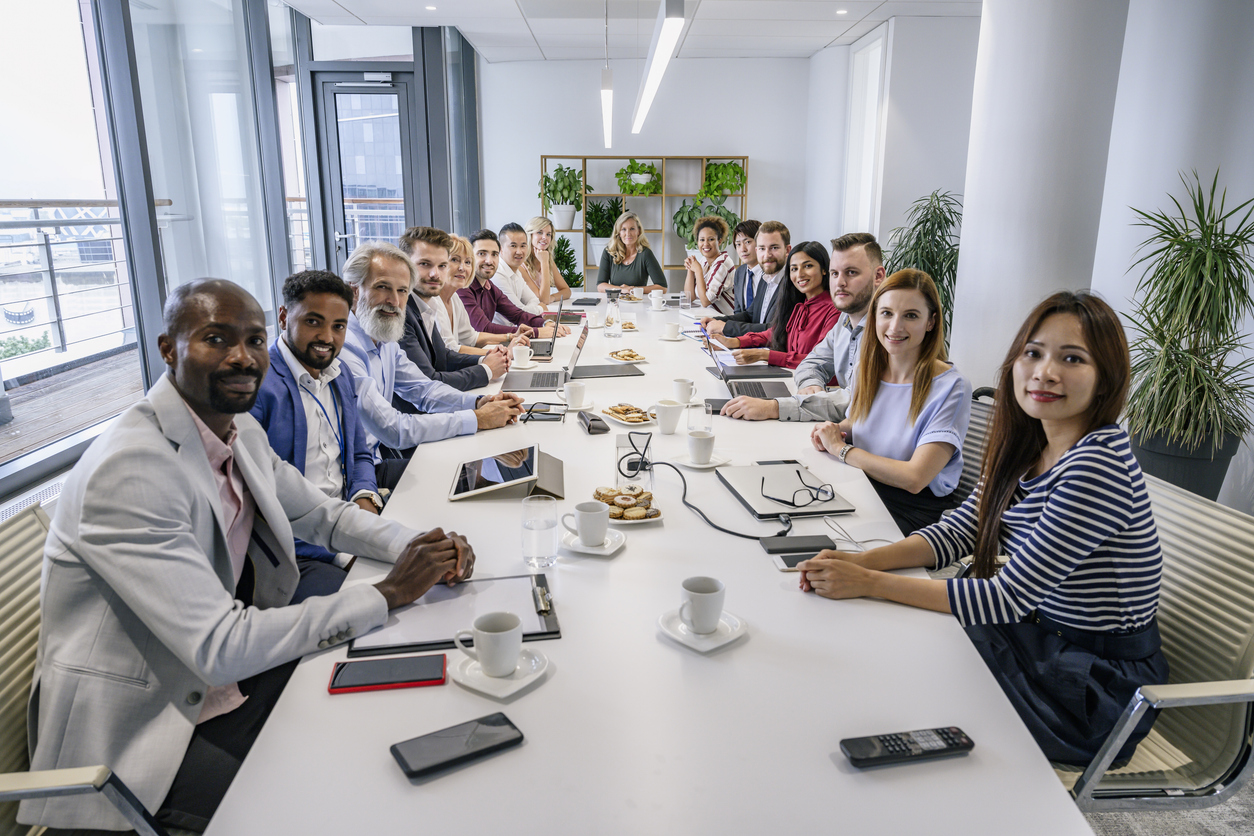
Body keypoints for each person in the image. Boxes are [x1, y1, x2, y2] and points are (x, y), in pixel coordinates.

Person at [22, 279, 477, 834]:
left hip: (227, 688)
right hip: (149, 741)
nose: (243, 357)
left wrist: (421, 546)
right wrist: (387, 591)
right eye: (216, 339)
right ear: (169, 349)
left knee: (383, 718)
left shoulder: (237, 432)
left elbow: (323, 517)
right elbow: (220, 646)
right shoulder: (130, 470)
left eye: (255, 340)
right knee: (340, 801)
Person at [797, 290, 1169, 767]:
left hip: (1091, 688)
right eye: (1032, 353)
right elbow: (959, 531)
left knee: (908, 662)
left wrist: (868, 582)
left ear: (1106, 378)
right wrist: (861, 561)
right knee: (902, 648)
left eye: (1072, 358)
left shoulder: (1097, 465)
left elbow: (1005, 597)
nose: (1044, 371)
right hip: (1039, 637)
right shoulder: (1031, 443)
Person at [339, 241, 523, 490]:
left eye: (403, 291)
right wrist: (477, 419)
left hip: (381, 457)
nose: (394, 300)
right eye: (383, 287)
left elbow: (424, 389)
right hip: (358, 475)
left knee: (474, 467)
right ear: (354, 291)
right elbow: (393, 429)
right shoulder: (345, 348)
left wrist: (478, 403)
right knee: (462, 474)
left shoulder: (384, 337)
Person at [250, 270, 382, 602]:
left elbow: (360, 455)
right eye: (313, 322)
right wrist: (343, 550)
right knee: (368, 607)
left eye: (338, 326)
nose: (327, 336)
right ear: (283, 317)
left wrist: (365, 500)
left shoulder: (340, 375)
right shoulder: (257, 389)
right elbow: (261, 510)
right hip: (297, 552)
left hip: (348, 520)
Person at [809, 269, 971, 535]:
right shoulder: (867, 367)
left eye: (910, 315)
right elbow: (862, 421)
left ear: (930, 322)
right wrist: (836, 429)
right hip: (860, 484)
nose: (895, 327)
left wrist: (841, 449)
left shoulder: (952, 386)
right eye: (886, 313)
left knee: (822, 540)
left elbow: (915, 478)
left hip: (911, 509)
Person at [721, 232, 885, 422]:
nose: (839, 282)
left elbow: (858, 401)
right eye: (835, 273)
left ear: (878, 276)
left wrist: (775, 407)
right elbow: (811, 363)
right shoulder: (844, 321)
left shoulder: (889, 332)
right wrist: (810, 386)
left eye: (851, 273)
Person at [396, 225, 508, 391]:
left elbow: (444, 356)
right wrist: (486, 370)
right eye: (425, 264)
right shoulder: (401, 314)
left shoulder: (427, 304)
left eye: (442, 265)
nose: (435, 274)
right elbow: (429, 382)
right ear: (404, 266)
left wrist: (487, 358)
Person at [713, 241, 839, 369]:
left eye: (808, 266)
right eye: (794, 269)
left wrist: (764, 355)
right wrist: (734, 341)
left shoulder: (834, 311)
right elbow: (774, 333)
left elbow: (821, 361)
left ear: (824, 269)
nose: (799, 274)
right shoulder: (799, 305)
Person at [460, 229, 566, 338]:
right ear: (470, 257)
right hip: (470, 352)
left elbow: (517, 315)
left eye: (494, 254)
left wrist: (545, 323)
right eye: (482, 254)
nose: (489, 261)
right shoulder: (463, 288)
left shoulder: (489, 287)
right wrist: (535, 332)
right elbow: (483, 328)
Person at [434, 234, 527, 356]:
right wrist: (501, 353)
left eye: (467, 262)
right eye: (455, 260)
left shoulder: (454, 298)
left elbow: (472, 337)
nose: (462, 268)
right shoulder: (434, 301)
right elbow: (451, 349)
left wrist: (511, 336)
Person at [700, 219, 790, 336]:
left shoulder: (791, 283)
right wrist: (718, 320)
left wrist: (727, 327)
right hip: (754, 342)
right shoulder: (767, 278)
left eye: (774, 248)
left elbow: (774, 330)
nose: (767, 255)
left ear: (787, 250)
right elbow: (750, 314)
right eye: (762, 248)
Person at [597, 210, 667, 293]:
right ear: (618, 233)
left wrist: (633, 290)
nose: (628, 233)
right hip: (615, 303)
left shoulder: (645, 254)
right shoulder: (609, 252)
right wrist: (621, 289)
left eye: (632, 229)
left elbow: (662, 287)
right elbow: (600, 286)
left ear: (639, 231)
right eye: (623, 229)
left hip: (638, 303)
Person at [492, 221, 546, 318]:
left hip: (516, 329)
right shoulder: (497, 273)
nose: (519, 251)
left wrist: (532, 307)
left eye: (523, 246)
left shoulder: (516, 271)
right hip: (501, 331)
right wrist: (540, 308)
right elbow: (519, 312)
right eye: (513, 246)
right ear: (501, 249)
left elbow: (534, 300)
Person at [683, 215, 735, 313]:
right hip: (709, 317)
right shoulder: (704, 261)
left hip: (725, 321)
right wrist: (690, 268)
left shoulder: (722, 264)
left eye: (711, 239)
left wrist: (698, 270)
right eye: (702, 240)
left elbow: (705, 301)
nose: (705, 244)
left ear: (719, 241)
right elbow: (690, 297)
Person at [519, 216, 572, 305]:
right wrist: (544, 263)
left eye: (548, 234)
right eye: (540, 232)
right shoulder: (520, 264)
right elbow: (543, 300)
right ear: (530, 235)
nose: (545, 237)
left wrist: (553, 297)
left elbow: (567, 291)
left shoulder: (547, 259)